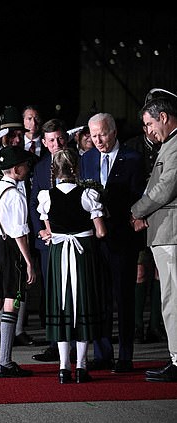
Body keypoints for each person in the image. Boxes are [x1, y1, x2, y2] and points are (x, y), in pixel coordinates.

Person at [80, 112, 145, 373]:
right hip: (96, 242)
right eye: (93, 135)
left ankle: (126, 357)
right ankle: (103, 353)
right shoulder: (87, 159)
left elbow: (139, 197)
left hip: (124, 239)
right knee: (101, 298)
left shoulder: (132, 159)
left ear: (114, 132)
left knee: (124, 298)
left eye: (102, 134)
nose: (98, 140)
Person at [37, 149, 107, 383]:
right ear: (76, 169)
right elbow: (101, 232)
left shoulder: (46, 196)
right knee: (82, 304)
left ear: (54, 171)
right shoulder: (88, 195)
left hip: (58, 254)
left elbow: (49, 231)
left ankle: (63, 367)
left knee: (62, 306)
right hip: (82, 253)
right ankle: (81, 367)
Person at [0, 145, 36, 378]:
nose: (28, 168)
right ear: (16, 169)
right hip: (12, 248)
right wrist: (29, 261)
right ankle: (5, 362)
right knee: (11, 302)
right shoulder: (16, 195)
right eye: (25, 164)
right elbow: (20, 233)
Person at [131, 89, 177, 382]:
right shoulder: (169, 145)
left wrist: (136, 211)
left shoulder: (174, 146)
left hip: (172, 232)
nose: (148, 131)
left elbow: (165, 187)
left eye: (149, 124)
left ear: (163, 117)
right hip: (167, 232)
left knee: (173, 299)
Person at [29, 118, 72, 362]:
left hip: (74, 240)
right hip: (48, 243)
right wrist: (39, 231)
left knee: (73, 293)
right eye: (52, 140)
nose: (57, 143)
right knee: (51, 294)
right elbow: (34, 203)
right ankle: (55, 344)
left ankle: (76, 342)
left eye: (60, 138)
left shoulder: (79, 162)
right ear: (44, 143)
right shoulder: (41, 167)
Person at [125, 122, 165, 344]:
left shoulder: (167, 145)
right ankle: (138, 326)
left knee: (161, 271)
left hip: (161, 218)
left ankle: (155, 325)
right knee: (140, 272)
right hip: (138, 218)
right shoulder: (133, 147)